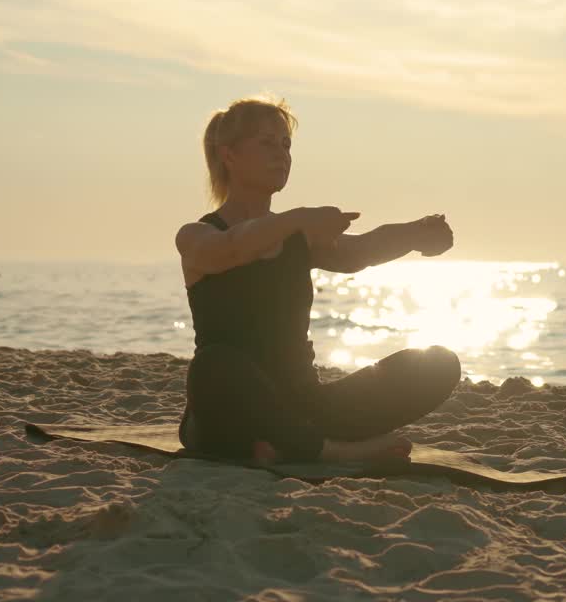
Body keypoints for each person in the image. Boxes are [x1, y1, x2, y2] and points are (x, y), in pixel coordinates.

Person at [175, 96, 460, 466]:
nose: (282, 154)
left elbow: (359, 252)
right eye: (266, 143)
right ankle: (331, 451)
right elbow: (231, 248)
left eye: (286, 144)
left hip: (303, 405)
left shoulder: (297, 236)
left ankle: (280, 445)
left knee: (438, 364)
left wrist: (416, 234)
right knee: (213, 364)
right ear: (229, 156)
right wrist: (299, 219)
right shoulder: (197, 236)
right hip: (231, 409)